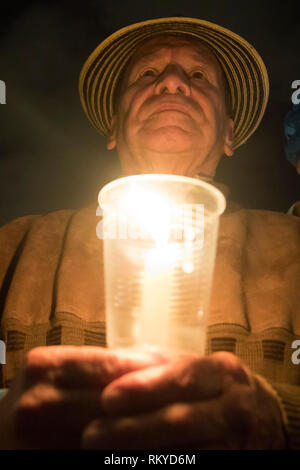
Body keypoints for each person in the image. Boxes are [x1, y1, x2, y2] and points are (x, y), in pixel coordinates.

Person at [0, 17, 299, 450]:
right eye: (148, 73)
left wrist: (279, 419)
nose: (174, 82)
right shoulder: (16, 247)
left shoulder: (292, 245)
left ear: (229, 134)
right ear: (113, 127)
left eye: (198, 75)